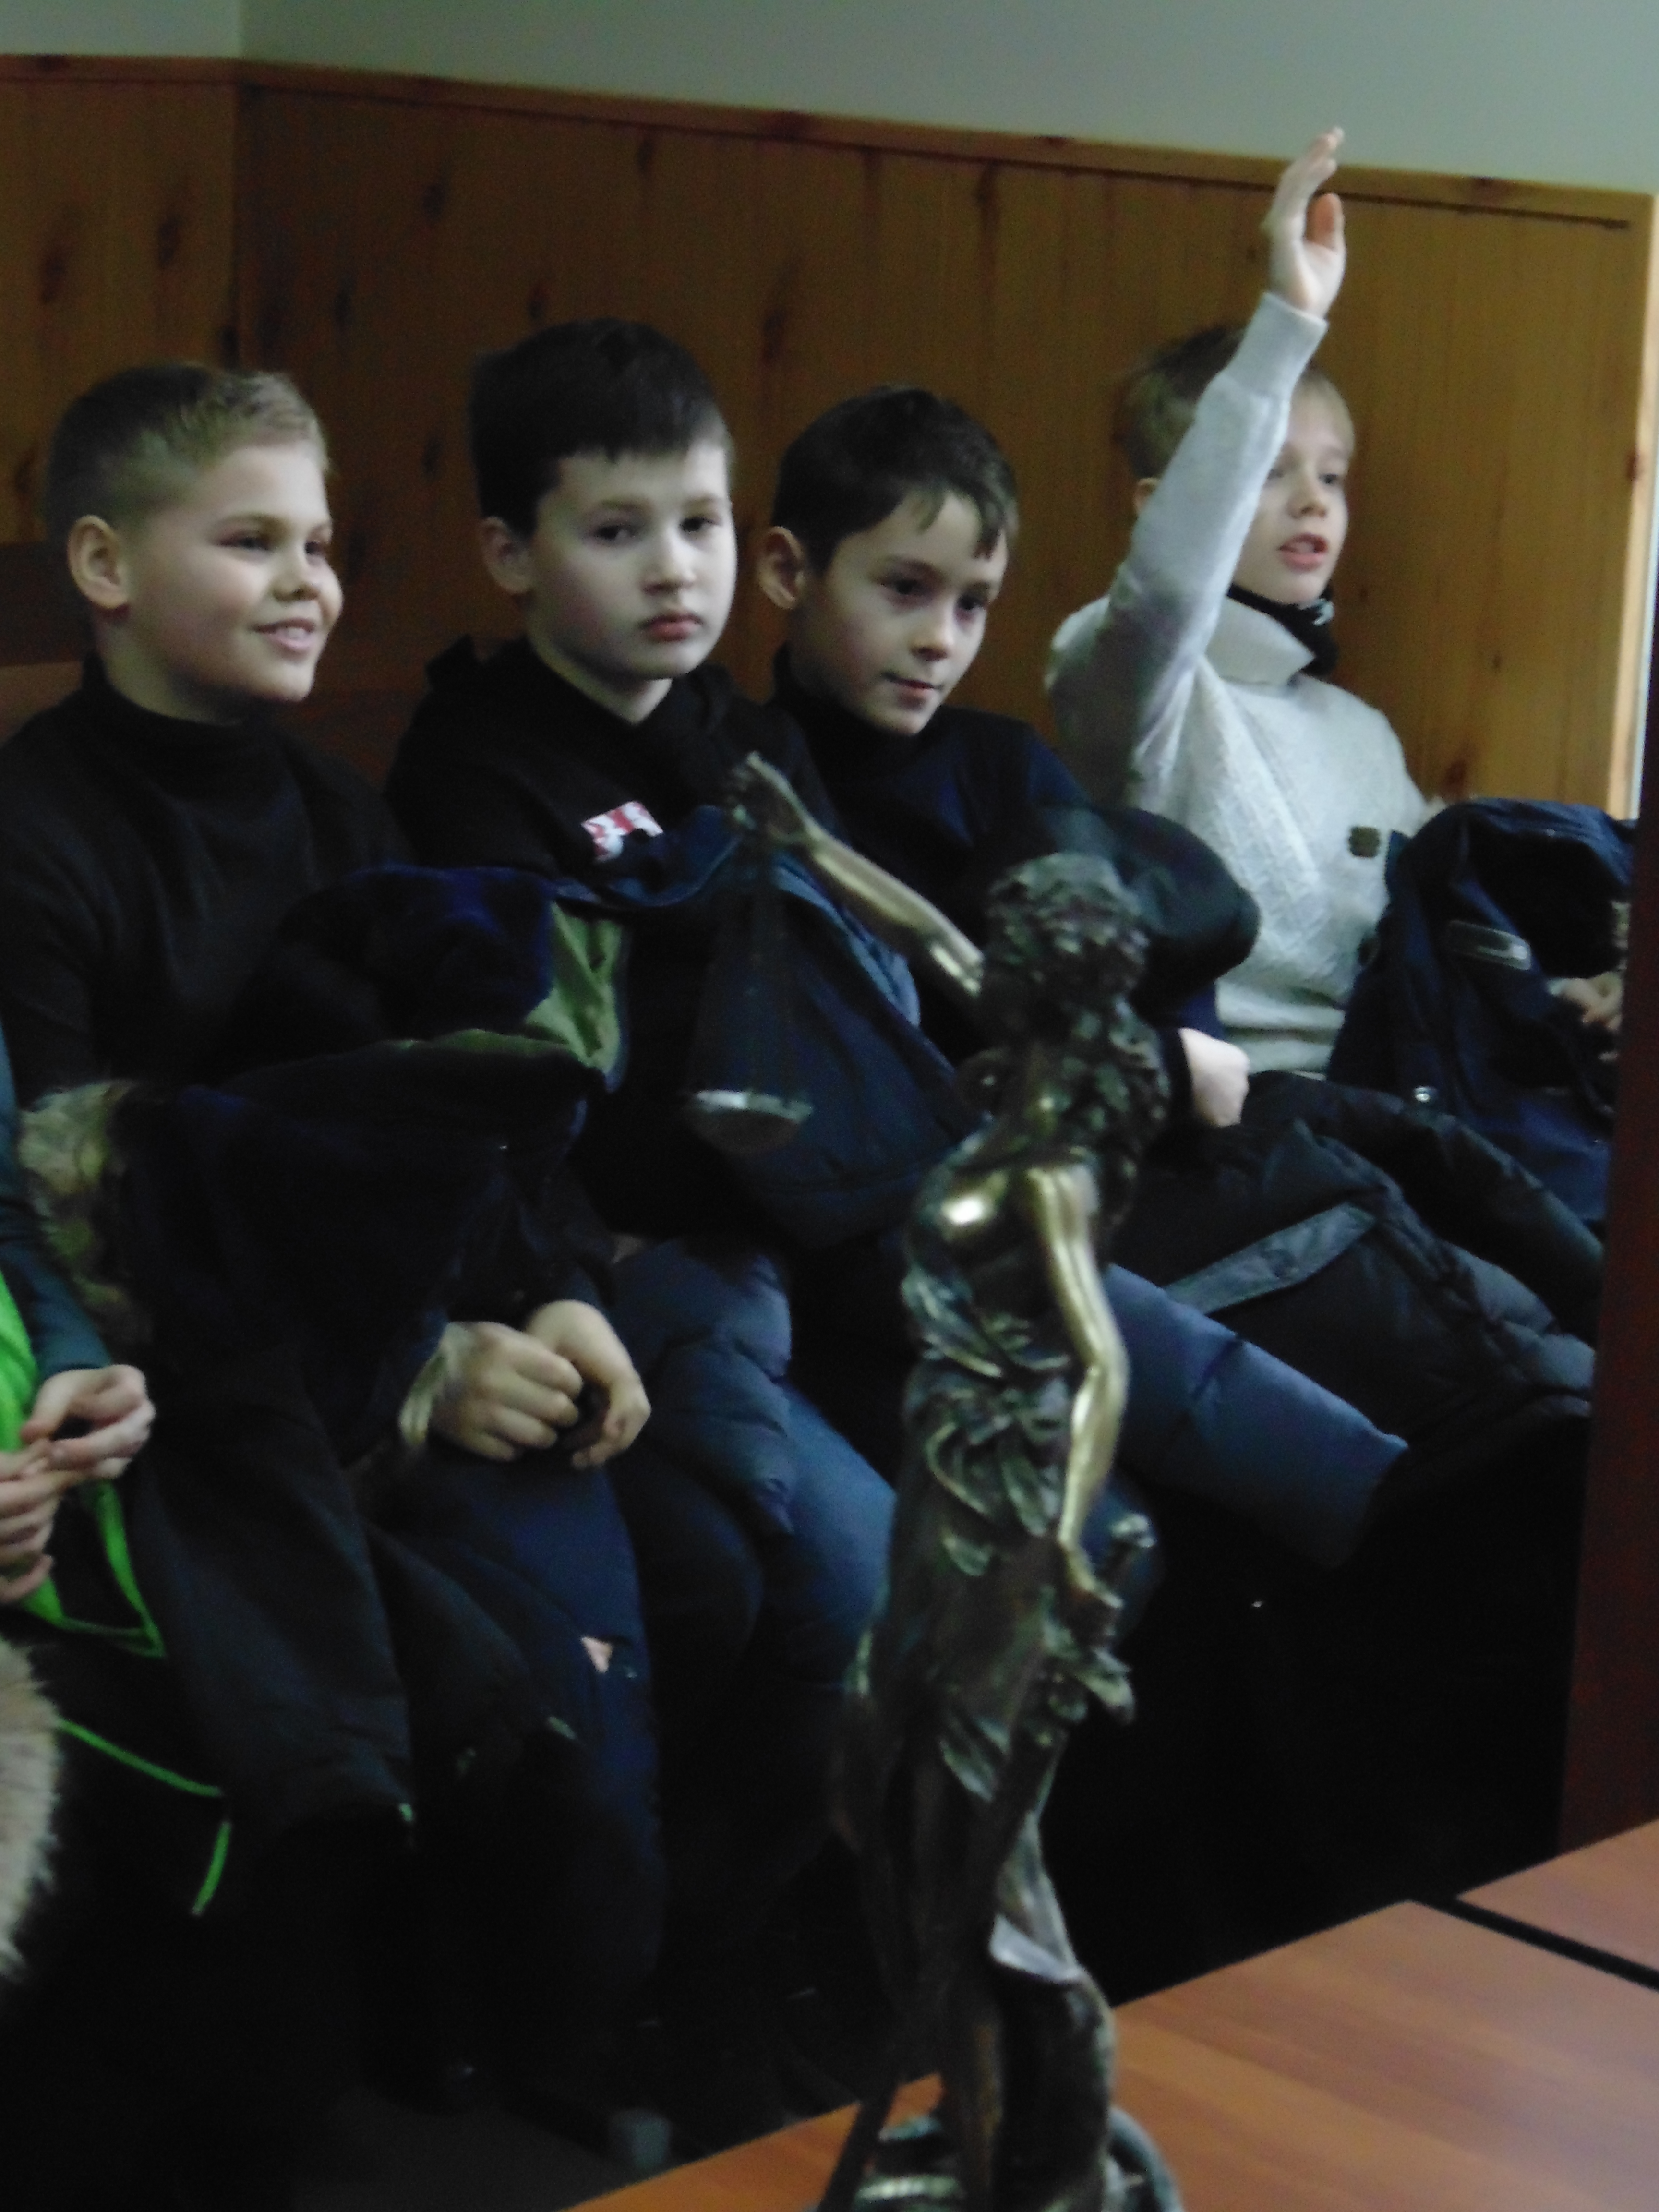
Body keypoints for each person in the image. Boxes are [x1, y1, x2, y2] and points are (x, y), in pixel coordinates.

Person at [385, 320, 897, 2145]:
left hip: (784, 1239)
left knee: (912, 1565)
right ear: (512, 553)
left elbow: (844, 990)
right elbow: (530, 1099)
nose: (675, 569)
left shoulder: (737, 738)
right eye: (616, 532)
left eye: (699, 524)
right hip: (612, 1262)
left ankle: (735, 1950)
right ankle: (649, 1984)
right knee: (791, 1572)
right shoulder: (472, 773)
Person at [761, 384, 1255, 1130]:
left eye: (972, 604)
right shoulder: (746, 777)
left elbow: (1142, 977)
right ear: (788, 572)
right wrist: (1162, 1071)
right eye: (906, 588)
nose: (941, 640)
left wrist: (1175, 1064)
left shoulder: (1005, 768)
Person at [1046, 130, 1430, 1078]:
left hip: (1377, 1103)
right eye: (1270, 470)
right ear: (1161, 504)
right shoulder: (1126, 678)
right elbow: (1169, 591)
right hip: (1206, 1107)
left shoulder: (1363, 735)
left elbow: (1438, 936)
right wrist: (1287, 324)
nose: (1313, 503)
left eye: (1332, 477)